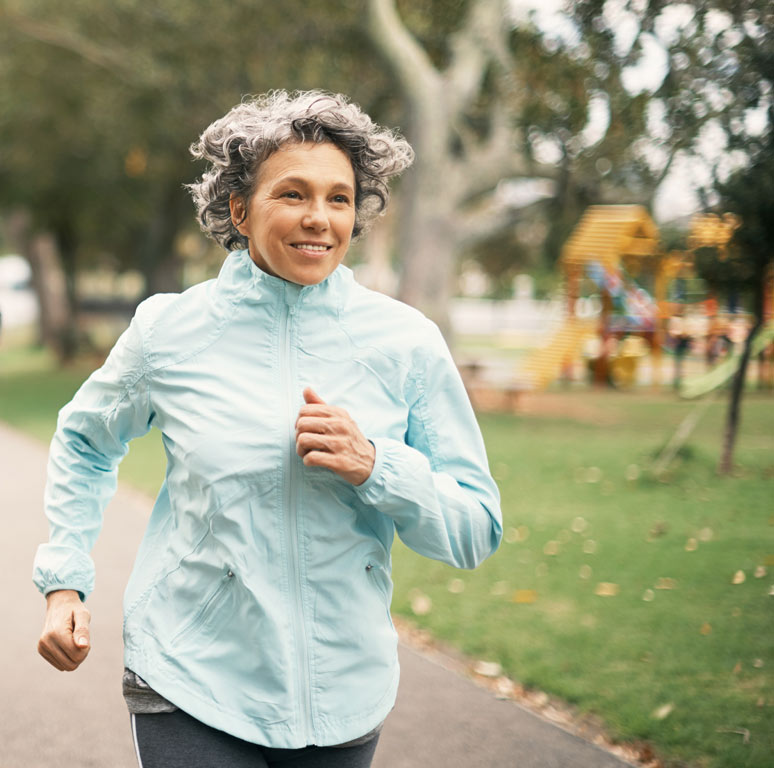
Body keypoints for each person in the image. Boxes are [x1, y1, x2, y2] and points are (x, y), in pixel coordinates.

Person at [33, 91, 502, 768]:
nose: (319, 218)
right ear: (238, 209)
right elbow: (84, 441)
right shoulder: (170, 332)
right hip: (190, 675)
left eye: (339, 199)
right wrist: (65, 583)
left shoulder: (405, 342)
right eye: (293, 193)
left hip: (343, 691)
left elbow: (476, 527)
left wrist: (377, 466)